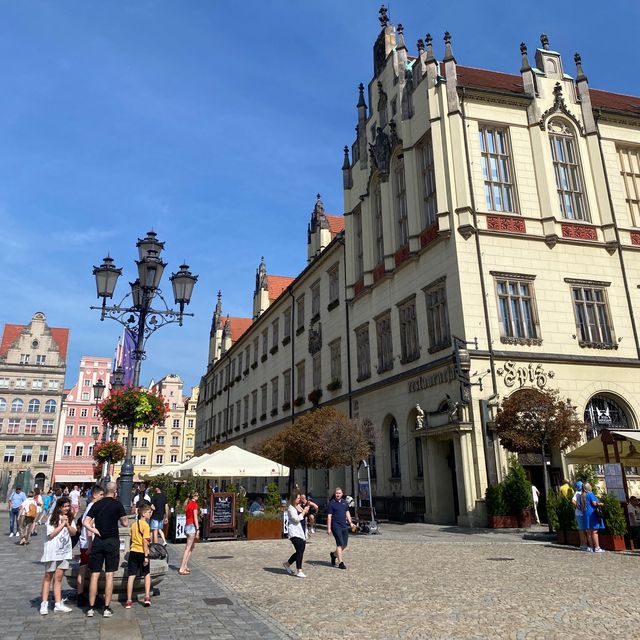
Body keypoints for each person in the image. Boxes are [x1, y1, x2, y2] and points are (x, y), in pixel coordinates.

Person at [83, 481, 128, 618]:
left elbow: (85, 522)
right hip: (112, 541)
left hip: (98, 541)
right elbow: (125, 523)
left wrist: (94, 529)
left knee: (94, 575)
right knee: (109, 575)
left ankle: (90, 608)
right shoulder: (117, 504)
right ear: (115, 492)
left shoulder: (97, 504)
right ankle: (106, 608)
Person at [40, 497, 76, 615]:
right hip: (52, 552)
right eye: (65, 506)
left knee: (59, 578)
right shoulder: (52, 518)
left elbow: (73, 532)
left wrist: (68, 524)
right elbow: (51, 534)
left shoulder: (70, 518)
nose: (67, 509)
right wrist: (62, 524)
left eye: (68, 506)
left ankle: (58, 603)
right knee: (48, 577)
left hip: (64, 552)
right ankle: (44, 603)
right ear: (59, 507)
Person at [76, 484, 104, 607]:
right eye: (101, 495)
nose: (102, 497)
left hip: (84, 542)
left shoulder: (89, 506)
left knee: (83, 568)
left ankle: (80, 595)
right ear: (94, 495)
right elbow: (89, 528)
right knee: (93, 571)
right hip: (89, 543)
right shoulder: (94, 507)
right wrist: (91, 545)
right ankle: (93, 596)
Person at [125, 503, 152, 608]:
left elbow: (131, 539)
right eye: (149, 512)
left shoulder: (134, 525)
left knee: (131, 576)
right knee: (147, 574)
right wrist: (146, 556)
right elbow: (145, 542)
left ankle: (128, 600)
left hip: (133, 551)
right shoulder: (146, 525)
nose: (150, 514)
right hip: (142, 551)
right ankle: (147, 597)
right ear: (144, 513)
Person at [283, 491, 309, 578]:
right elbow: (296, 519)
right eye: (298, 498)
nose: (299, 500)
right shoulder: (290, 508)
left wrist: (305, 509)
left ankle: (287, 564)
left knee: (300, 550)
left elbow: (305, 514)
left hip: (300, 531)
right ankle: (299, 570)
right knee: (300, 549)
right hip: (294, 532)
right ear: (294, 499)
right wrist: (303, 512)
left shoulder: (297, 506)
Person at [326, 487, 354, 570]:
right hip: (335, 525)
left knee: (344, 544)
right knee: (339, 543)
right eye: (336, 493)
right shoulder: (331, 503)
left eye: (339, 493)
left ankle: (334, 555)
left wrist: (350, 523)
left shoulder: (344, 503)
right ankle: (341, 562)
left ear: (342, 494)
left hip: (344, 525)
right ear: (335, 494)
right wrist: (329, 528)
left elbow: (347, 512)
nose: (338, 494)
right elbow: (329, 516)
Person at [178, 491, 199, 575]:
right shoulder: (194, 504)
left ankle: (185, 564)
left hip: (187, 525)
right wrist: (197, 529)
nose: (198, 496)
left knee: (191, 546)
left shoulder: (188, 504)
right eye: (197, 495)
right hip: (191, 526)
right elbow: (195, 518)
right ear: (193, 496)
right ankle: (182, 568)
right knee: (188, 547)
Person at [583, 482, 605, 553]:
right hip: (592, 513)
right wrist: (600, 504)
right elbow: (594, 503)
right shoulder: (590, 494)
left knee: (589, 531)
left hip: (586, 513)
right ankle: (597, 547)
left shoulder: (583, 495)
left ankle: (591, 547)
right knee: (594, 531)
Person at [571, 480, 588, 551]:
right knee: (582, 529)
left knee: (583, 529)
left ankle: (584, 543)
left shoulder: (581, 493)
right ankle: (583, 544)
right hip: (579, 513)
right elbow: (572, 501)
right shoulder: (577, 493)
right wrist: (579, 507)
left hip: (581, 513)